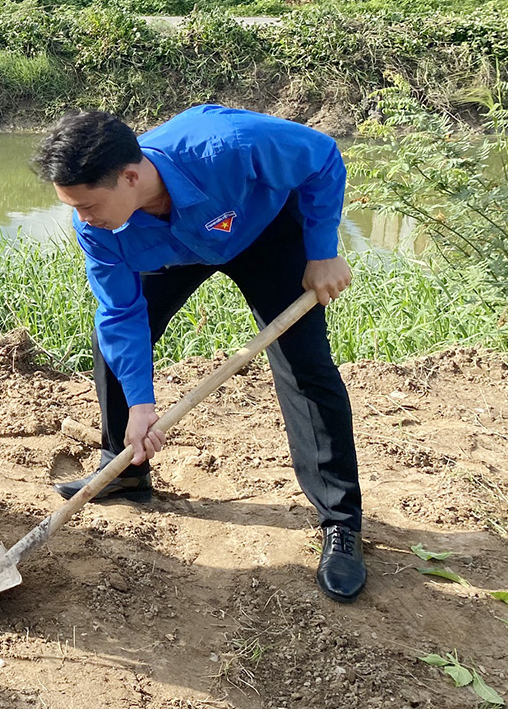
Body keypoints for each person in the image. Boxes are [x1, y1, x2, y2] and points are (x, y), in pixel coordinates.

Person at [33, 105, 366, 603]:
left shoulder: (226, 143)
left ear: (130, 176)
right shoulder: (103, 228)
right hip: (168, 247)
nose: (82, 220)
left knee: (306, 367)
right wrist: (143, 406)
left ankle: (340, 522)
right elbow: (121, 313)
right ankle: (124, 468)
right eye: (72, 207)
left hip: (265, 230)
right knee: (116, 342)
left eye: (86, 205)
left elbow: (320, 156)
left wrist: (322, 250)